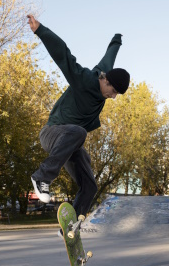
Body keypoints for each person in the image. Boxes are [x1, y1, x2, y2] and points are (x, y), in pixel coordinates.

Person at [27, 15, 130, 233]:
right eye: (113, 92)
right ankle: (41, 177)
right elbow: (63, 55)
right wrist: (40, 30)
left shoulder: (106, 72)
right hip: (52, 134)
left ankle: (72, 226)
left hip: (70, 142)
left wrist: (117, 39)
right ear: (106, 81)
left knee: (90, 184)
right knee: (79, 132)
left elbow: (109, 56)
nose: (112, 98)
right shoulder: (84, 79)